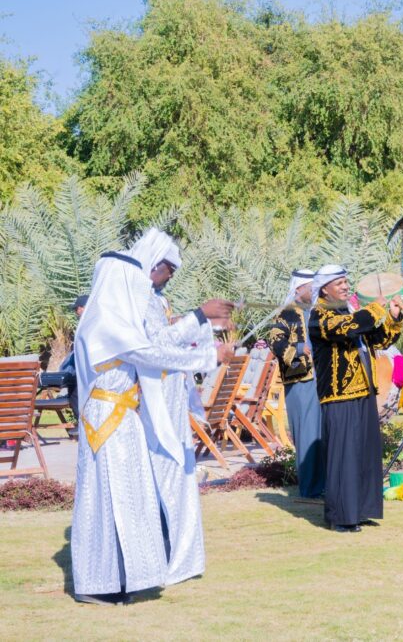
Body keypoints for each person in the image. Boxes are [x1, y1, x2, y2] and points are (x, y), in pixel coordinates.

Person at [71, 229, 233, 605]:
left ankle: (120, 578)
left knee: (126, 499)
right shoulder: (105, 324)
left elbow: (151, 346)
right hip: (107, 418)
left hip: (121, 414)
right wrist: (207, 358)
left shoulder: (113, 322)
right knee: (109, 500)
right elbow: (149, 353)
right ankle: (99, 582)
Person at [141, 230, 233, 587]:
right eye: (169, 268)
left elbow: (167, 337)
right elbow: (155, 346)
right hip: (154, 401)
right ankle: (164, 554)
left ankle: (181, 557)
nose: (171, 275)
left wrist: (201, 323)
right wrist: (198, 315)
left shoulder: (156, 300)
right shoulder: (140, 299)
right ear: (153, 265)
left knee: (179, 476)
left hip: (171, 396)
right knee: (163, 475)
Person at [308, 265, 403, 532]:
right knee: (344, 456)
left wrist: (393, 318)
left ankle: (361, 510)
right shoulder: (319, 315)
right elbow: (347, 329)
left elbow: (377, 339)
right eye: (338, 282)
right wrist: (375, 308)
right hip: (339, 394)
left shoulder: (349, 312)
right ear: (325, 288)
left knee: (364, 453)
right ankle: (342, 516)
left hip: (364, 390)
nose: (344, 286)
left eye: (345, 281)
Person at [268, 269, 325, 498]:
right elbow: (274, 341)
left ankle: (322, 484)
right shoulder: (287, 313)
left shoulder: (315, 312)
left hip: (320, 379)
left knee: (321, 434)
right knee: (308, 434)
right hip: (301, 380)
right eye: (311, 287)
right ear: (299, 288)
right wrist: (301, 349)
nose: (313, 292)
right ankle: (310, 489)